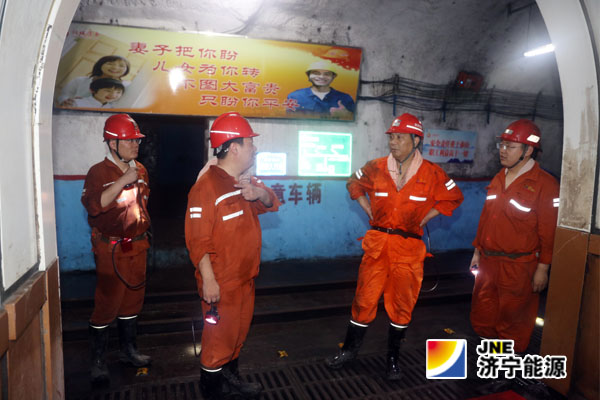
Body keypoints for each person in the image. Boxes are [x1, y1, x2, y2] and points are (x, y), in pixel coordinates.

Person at [325, 113, 464, 380]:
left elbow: (453, 197)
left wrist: (426, 217)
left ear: (416, 140)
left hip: (408, 249)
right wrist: (367, 208)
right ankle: (349, 351)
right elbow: (354, 183)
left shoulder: (432, 173)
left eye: (400, 137)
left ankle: (393, 360)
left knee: (402, 305)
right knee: (363, 300)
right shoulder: (375, 167)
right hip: (377, 245)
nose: (393, 142)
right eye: (391, 137)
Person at [185, 112, 280, 399]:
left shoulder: (244, 180)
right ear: (234, 147)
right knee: (217, 342)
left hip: (245, 279)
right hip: (222, 283)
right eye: (250, 143)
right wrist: (209, 281)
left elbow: (272, 201)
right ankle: (212, 391)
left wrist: (258, 194)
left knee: (237, 335)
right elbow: (197, 240)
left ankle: (231, 378)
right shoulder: (205, 188)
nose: (255, 149)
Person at [470, 119, 559, 353]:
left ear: (528, 150)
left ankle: (505, 367)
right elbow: (486, 218)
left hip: (519, 267)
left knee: (512, 320)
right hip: (488, 262)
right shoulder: (499, 177)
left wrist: (543, 268)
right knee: (484, 314)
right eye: (502, 144)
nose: (503, 150)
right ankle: (489, 360)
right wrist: (477, 251)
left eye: (510, 146)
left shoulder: (545, 185)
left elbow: (548, 230)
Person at [81, 113, 152, 384]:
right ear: (113, 144)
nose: (136, 145)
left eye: (137, 140)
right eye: (130, 140)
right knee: (107, 303)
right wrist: (123, 181)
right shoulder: (98, 172)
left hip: (138, 245)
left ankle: (128, 351)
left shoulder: (141, 169)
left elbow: (143, 203)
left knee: (133, 300)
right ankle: (98, 361)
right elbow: (94, 206)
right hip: (111, 249)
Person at [286, 59, 355, 118]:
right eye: (316, 73)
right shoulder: (295, 96)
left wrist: (347, 115)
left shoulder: (345, 98)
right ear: (308, 75)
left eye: (327, 74)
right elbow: (289, 120)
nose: (321, 77)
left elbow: (356, 120)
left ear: (333, 77)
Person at [57, 55, 130, 107]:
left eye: (121, 66)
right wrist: (65, 101)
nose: (115, 67)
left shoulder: (127, 86)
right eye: (110, 64)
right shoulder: (80, 80)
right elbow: (64, 95)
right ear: (100, 65)